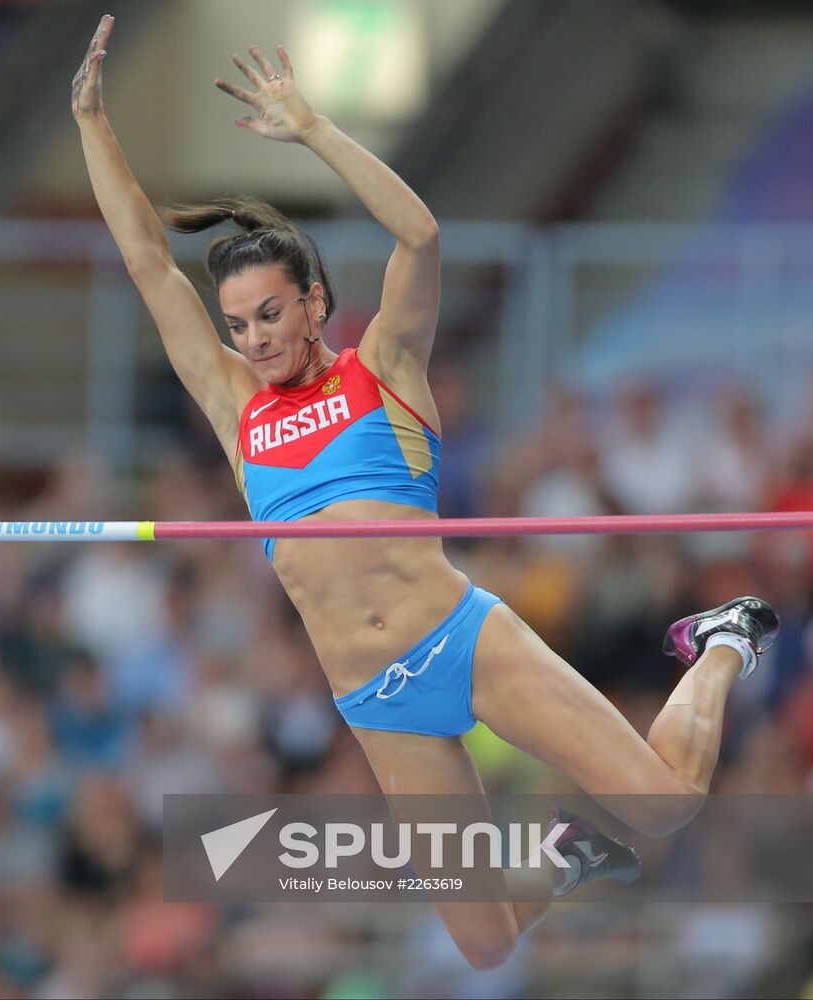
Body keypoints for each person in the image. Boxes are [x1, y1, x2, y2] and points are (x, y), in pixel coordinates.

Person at [71, 14, 779, 970]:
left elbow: (420, 233)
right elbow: (151, 267)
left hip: (461, 640)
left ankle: (722, 640)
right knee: (484, 939)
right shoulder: (235, 411)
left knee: (662, 804)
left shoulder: (385, 370)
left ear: (314, 300)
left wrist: (315, 130)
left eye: (271, 313)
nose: (255, 338)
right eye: (238, 325)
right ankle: (567, 855)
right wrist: (90, 127)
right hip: (373, 696)